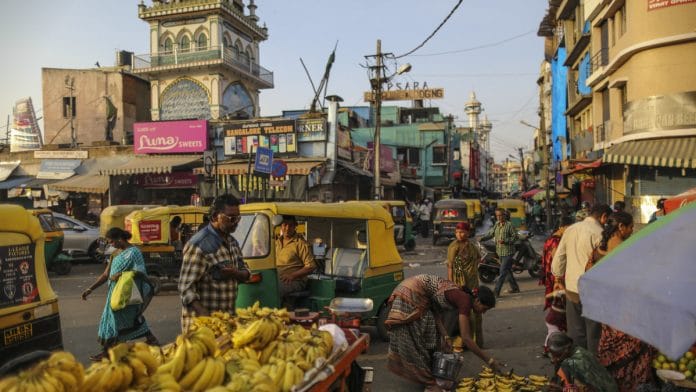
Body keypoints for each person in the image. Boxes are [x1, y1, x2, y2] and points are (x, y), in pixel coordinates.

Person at [385, 274, 500, 391]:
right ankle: (430, 383)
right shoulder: (465, 301)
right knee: (414, 340)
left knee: (432, 337)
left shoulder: (461, 295)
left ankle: (430, 375)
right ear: (477, 300)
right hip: (411, 295)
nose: (483, 313)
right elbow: (466, 338)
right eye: (484, 309)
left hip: (413, 291)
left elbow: (436, 314)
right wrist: (489, 360)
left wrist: (446, 337)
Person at [590, 212, 656, 391]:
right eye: (630, 227)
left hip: (606, 312)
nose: (632, 230)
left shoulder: (598, 250)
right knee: (637, 351)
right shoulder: (626, 250)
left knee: (610, 354)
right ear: (621, 227)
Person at [81, 227, 159, 361]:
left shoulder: (134, 253)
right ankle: (151, 338)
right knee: (130, 319)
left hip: (126, 293)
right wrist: (90, 289)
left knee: (113, 321)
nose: (111, 245)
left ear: (120, 239)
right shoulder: (116, 253)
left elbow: (141, 272)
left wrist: (122, 274)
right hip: (114, 292)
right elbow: (106, 274)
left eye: (112, 242)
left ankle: (106, 352)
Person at [178, 195, 250, 332]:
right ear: (216, 216)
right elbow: (185, 288)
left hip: (226, 323)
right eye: (231, 218)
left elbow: (246, 272)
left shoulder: (233, 242)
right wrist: (205, 315)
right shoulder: (199, 245)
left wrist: (236, 273)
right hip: (201, 327)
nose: (236, 222)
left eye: (238, 218)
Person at [552, 203, 612, 355]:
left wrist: (558, 278)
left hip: (572, 288)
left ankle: (578, 366)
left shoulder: (571, 229)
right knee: (594, 334)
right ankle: (593, 369)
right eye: (607, 219)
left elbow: (559, 258)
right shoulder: (600, 233)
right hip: (593, 290)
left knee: (576, 332)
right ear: (603, 216)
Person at [540, 216, 575, 356]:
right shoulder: (556, 242)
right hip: (557, 281)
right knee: (558, 317)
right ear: (562, 227)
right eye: (568, 228)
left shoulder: (550, 240)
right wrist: (558, 282)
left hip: (551, 280)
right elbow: (558, 263)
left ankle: (554, 345)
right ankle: (554, 347)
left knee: (556, 316)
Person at [446, 222, 484, 346]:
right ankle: (465, 342)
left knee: (477, 313)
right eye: (457, 232)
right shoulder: (453, 247)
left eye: (462, 232)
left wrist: (471, 268)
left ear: (468, 232)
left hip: (473, 283)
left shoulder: (472, 246)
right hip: (460, 285)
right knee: (464, 314)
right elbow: (450, 266)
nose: (459, 235)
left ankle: (478, 342)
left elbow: (479, 259)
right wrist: (451, 284)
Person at [547, 332, 618, 392]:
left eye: (557, 355)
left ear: (567, 349)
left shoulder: (574, 364)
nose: (553, 359)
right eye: (552, 355)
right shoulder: (578, 349)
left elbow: (586, 390)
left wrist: (562, 389)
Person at [276, 215, 317, 306]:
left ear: (295, 226)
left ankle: (275, 315)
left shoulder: (300, 244)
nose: (287, 228)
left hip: (294, 281)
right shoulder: (276, 242)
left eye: (290, 225)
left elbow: (311, 266)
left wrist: (292, 276)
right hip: (276, 279)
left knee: (273, 290)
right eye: (284, 225)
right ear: (281, 226)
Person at [479, 208, 519, 297]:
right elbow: (490, 234)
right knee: (507, 270)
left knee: (502, 272)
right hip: (500, 252)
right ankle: (515, 288)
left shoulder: (509, 225)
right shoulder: (497, 224)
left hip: (508, 252)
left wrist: (505, 241)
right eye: (497, 215)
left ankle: (496, 292)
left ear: (504, 215)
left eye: (501, 215)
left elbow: (516, 237)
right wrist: (482, 238)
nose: (499, 217)